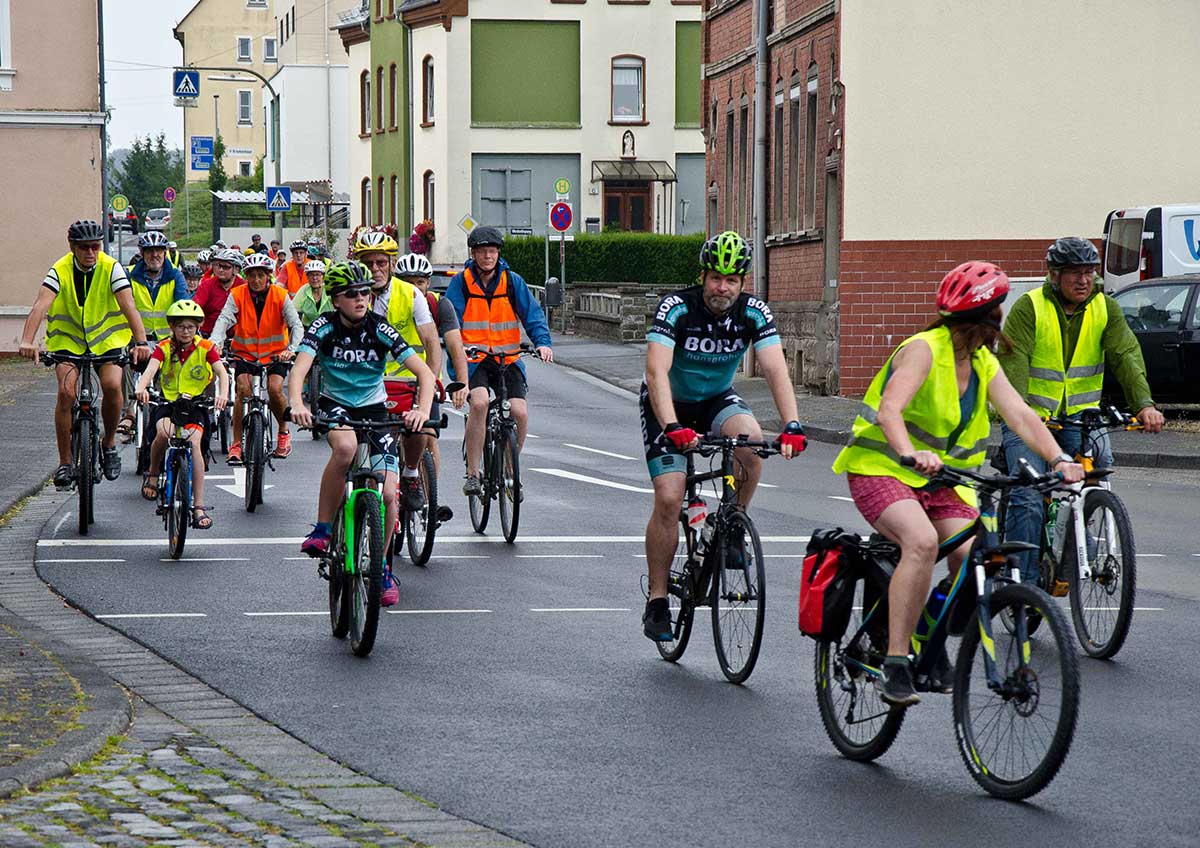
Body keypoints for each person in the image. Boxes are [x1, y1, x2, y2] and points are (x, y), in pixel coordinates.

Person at [831, 261, 1086, 707]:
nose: (999, 321)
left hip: (946, 480)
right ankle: (895, 661)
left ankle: (927, 645)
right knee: (922, 542)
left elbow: (1021, 414)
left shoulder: (983, 361)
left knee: (974, 558)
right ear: (982, 318)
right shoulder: (924, 350)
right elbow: (890, 409)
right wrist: (910, 451)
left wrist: (1059, 458)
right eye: (995, 312)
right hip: (883, 468)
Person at [639, 231, 807, 641]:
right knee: (669, 497)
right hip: (670, 404)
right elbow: (655, 371)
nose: (722, 287)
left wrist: (792, 424)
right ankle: (658, 600)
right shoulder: (677, 307)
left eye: (732, 280)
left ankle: (734, 523)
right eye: (716, 277)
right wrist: (673, 426)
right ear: (703, 276)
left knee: (750, 445)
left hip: (716, 399)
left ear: (743, 282)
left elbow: (774, 369)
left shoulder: (754, 312)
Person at [998, 236, 1165, 584]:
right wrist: (1020, 413)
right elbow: (1013, 365)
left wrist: (1144, 405)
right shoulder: (1029, 308)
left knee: (1100, 468)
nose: (1084, 280)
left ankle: (1075, 531)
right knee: (1029, 497)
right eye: (1074, 272)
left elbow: (1126, 356)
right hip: (1030, 418)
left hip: (1081, 415)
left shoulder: (1105, 307)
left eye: (1089, 272)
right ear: (1054, 275)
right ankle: (1022, 588)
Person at [289, 261, 436, 607]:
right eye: (351, 294)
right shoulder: (323, 327)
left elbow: (425, 375)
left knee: (387, 494)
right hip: (335, 404)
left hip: (374, 409)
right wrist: (297, 403)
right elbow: (299, 370)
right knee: (345, 448)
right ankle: (324, 529)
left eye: (366, 293)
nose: (360, 299)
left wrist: (421, 411)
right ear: (336, 299)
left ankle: (382, 568)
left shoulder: (380, 329)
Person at [18, 220, 151, 487]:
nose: (91, 252)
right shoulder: (60, 269)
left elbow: (129, 306)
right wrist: (27, 340)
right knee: (66, 392)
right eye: (84, 248)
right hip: (67, 341)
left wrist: (141, 342)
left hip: (107, 340)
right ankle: (65, 462)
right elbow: (40, 305)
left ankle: (110, 442)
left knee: (113, 386)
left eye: (95, 246)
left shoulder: (111, 267)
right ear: (72, 248)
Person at [445, 226, 554, 496]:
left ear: (498, 254)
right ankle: (473, 473)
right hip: (475, 360)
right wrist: (457, 354)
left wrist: (542, 343)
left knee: (519, 411)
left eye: (492, 251)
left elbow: (533, 314)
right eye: (482, 251)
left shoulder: (511, 281)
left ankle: (510, 469)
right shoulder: (461, 283)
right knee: (480, 403)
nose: (487, 256)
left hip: (508, 358)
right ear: (473, 254)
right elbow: (451, 322)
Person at [134, 299, 230, 530]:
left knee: (195, 443)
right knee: (163, 433)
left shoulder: (206, 348)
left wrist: (223, 395)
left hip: (195, 406)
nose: (185, 331)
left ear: (197, 327)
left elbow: (222, 373)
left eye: (190, 326)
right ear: (172, 327)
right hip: (168, 403)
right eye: (180, 326)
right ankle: (154, 473)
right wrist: (141, 388)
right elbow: (151, 369)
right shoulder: (164, 347)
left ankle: (198, 506)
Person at [388, 253, 470, 505]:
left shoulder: (438, 305)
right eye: (408, 281)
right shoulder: (387, 301)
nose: (415, 288)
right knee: (386, 437)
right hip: (389, 382)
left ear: (428, 283)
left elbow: (456, 346)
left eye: (420, 282)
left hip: (425, 384)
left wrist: (463, 384)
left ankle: (428, 499)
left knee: (428, 435)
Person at [208, 252, 303, 463]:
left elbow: (296, 325)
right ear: (246, 275)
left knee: (275, 388)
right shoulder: (237, 294)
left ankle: (283, 433)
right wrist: (216, 342)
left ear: (269, 275)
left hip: (276, 355)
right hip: (245, 353)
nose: (256, 280)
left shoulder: (280, 295)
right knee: (242, 389)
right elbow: (224, 320)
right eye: (251, 275)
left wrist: (292, 348)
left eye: (261, 275)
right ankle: (237, 445)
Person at [118, 231, 189, 441]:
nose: (155, 255)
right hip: (135, 338)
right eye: (150, 251)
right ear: (142, 253)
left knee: (170, 374)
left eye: (159, 250)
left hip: (166, 340)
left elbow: (182, 305)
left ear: (165, 253)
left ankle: (166, 410)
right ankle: (129, 412)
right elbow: (123, 305)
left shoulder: (175, 275)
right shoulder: (129, 274)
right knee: (123, 363)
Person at [193, 249, 246, 337]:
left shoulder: (243, 286)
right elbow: (195, 307)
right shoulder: (207, 285)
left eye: (226, 267)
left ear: (236, 270)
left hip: (235, 337)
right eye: (219, 266)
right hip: (208, 335)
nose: (221, 270)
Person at [293, 260, 332, 329]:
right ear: (307, 277)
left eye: (317, 274)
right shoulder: (303, 290)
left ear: (323, 276)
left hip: (328, 327)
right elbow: (294, 310)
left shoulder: (329, 290)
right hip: (308, 328)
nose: (314, 278)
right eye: (311, 275)